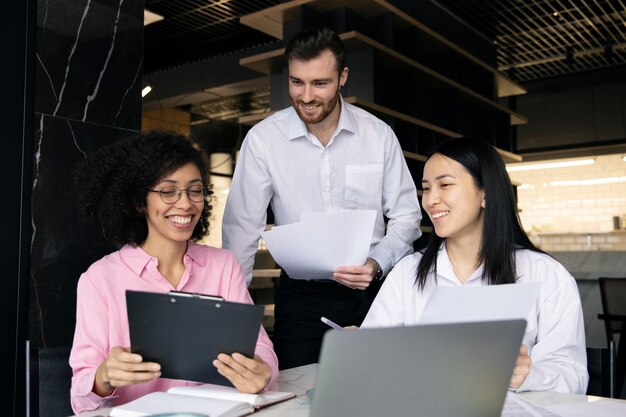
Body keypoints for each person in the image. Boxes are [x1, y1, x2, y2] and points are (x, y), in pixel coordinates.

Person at [222, 26, 421, 369]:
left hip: (370, 293)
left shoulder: (378, 135)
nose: (306, 95)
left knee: (375, 387)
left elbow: (406, 217)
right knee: (296, 390)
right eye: (297, 82)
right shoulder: (263, 140)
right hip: (301, 298)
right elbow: (241, 230)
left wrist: (377, 264)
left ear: (343, 77)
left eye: (320, 83)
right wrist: (231, 314)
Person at [69, 131, 279, 414]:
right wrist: (104, 376)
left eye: (195, 190)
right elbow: (81, 397)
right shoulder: (99, 280)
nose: (185, 204)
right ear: (139, 201)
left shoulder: (223, 267)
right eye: (168, 191)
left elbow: (261, 348)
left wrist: (262, 372)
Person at [361, 136, 588, 394]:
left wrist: (530, 375)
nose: (430, 200)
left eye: (445, 184)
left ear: (485, 194)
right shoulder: (407, 273)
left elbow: (574, 375)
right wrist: (359, 350)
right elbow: (372, 364)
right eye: (426, 188)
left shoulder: (546, 275)